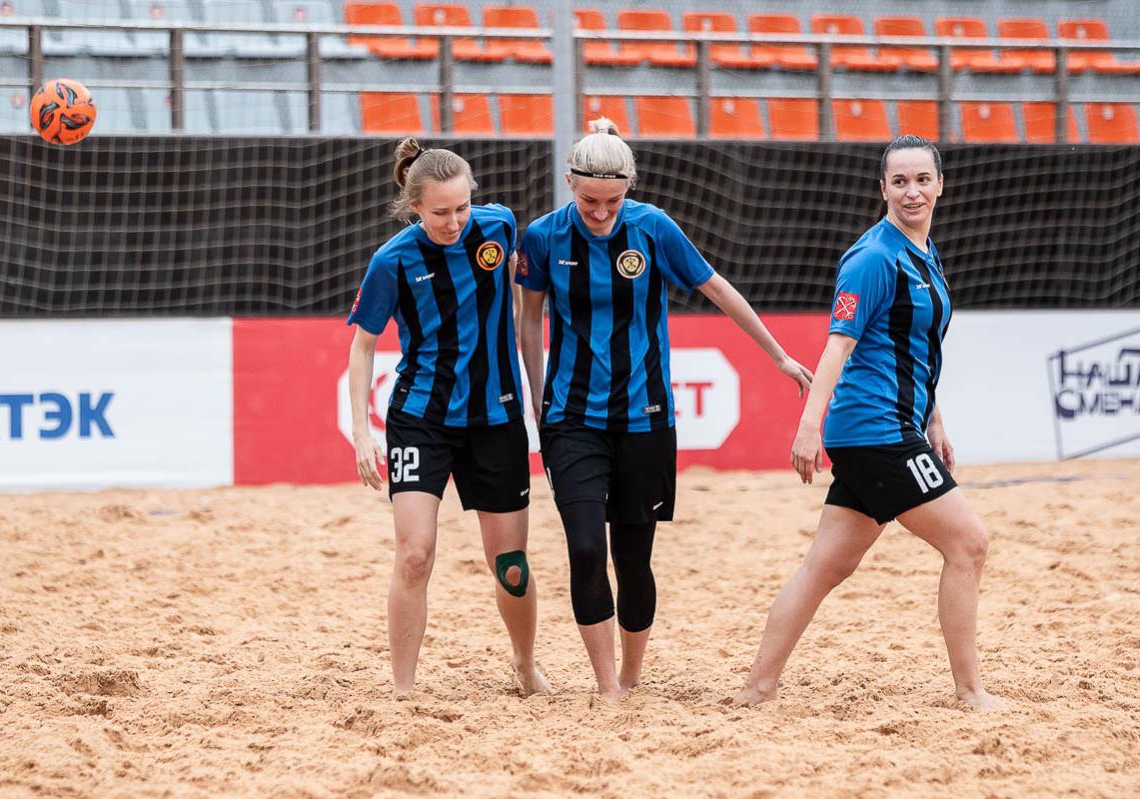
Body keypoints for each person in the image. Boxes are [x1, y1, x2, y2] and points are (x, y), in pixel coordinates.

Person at [517, 118, 813, 703]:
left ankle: (631, 675)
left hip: (646, 418)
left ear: (629, 189)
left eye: (613, 201)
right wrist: (537, 398)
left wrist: (778, 355)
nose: (601, 213)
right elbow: (528, 320)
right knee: (584, 550)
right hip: (570, 420)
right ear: (569, 183)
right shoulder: (543, 237)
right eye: (589, 201)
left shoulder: (653, 228)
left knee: (634, 558)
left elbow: (717, 288)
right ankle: (607, 687)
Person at [734, 135, 1004, 711]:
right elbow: (839, 345)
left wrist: (934, 418)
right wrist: (809, 424)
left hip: (891, 426)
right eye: (900, 181)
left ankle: (758, 686)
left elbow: (915, 348)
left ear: (940, 185)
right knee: (969, 544)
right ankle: (969, 691)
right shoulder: (873, 257)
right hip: (876, 431)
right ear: (882, 189)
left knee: (826, 565)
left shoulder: (922, 251)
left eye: (922, 180)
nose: (912, 191)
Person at [346, 137, 549, 698]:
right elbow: (363, 347)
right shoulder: (392, 261)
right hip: (420, 419)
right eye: (440, 212)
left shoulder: (500, 227)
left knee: (510, 563)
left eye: (462, 207)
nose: (455, 221)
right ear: (414, 206)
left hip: (496, 418)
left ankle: (524, 663)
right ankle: (403, 689)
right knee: (414, 555)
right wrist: (362, 431)